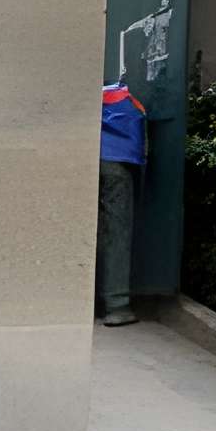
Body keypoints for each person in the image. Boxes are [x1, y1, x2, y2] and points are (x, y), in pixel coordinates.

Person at [97, 82, 151, 328]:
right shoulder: (127, 100)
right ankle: (117, 305)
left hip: (84, 157)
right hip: (118, 164)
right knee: (116, 232)